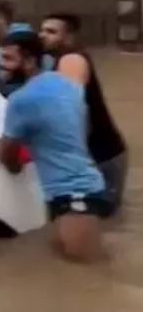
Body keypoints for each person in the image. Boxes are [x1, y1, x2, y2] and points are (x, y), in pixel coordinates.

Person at [0, 31, 108, 262]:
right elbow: (81, 130)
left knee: (88, 274)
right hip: (81, 189)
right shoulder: (68, 85)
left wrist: (8, 159)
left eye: (8, 59)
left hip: (74, 197)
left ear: (30, 61)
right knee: (70, 269)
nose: (1, 67)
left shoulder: (21, 100)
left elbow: (8, 154)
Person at [38, 12, 128, 216]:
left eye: (51, 32)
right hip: (98, 155)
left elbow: (70, 107)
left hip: (99, 156)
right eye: (42, 30)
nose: (42, 35)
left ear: (69, 37)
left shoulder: (72, 60)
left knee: (93, 220)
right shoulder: (58, 60)